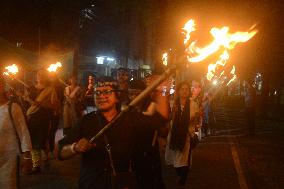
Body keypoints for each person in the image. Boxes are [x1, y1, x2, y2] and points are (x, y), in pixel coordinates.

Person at [58, 77, 169, 189]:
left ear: (117, 97)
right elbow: (60, 151)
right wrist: (75, 147)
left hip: (121, 183)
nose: (101, 96)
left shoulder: (129, 118)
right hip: (92, 183)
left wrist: (161, 89)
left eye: (107, 92)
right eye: (97, 92)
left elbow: (160, 119)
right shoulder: (85, 121)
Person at [165, 81, 201, 187]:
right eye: (182, 89)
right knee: (176, 158)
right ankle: (179, 174)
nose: (184, 91)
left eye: (186, 89)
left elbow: (195, 120)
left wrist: (196, 117)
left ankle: (182, 180)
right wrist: (173, 113)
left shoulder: (193, 104)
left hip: (187, 135)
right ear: (178, 91)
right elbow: (168, 118)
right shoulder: (172, 103)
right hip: (174, 135)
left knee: (185, 159)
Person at [24, 69, 60, 173]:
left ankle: (45, 158)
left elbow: (54, 106)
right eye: (38, 74)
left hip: (44, 118)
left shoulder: (50, 89)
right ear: (36, 76)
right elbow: (29, 106)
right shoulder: (30, 89)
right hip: (32, 118)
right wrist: (25, 99)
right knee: (33, 141)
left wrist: (40, 104)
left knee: (42, 141)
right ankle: (36, 165)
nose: (40, 76)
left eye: (43, 74)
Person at [0, 76, 32, 188]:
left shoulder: (12, 108)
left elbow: (23, 132)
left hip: (9, 160)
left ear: (2, 86)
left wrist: (27, 157)